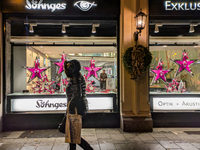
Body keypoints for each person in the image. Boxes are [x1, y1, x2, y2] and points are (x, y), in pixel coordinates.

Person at [64, 59, 93, 150]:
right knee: (73, 133)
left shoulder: (75, 78)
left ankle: (89, 149)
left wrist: (70, 108)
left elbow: (77, 95)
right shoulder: (79, 76)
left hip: (75, 109)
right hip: (78, 107)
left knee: (71, 132)